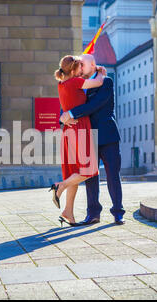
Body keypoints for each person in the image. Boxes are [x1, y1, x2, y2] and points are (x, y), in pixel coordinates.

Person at [60, 54, 126, 226]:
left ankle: (118, 213)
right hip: (87, 135)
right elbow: (68, 104)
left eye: (82, 64)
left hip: (107, 135)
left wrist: (71, 114)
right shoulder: (79, 84)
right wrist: (64, 117)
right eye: (78, 64)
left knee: (112, 175)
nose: (79, 67)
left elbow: (93, 105)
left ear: (92, 65)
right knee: (90, 176)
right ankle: (93, 214)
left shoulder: (106, 81)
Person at [50, 55, 106, 227]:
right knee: (90, 170)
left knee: (74, 171)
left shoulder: (62, 84)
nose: (82, 69)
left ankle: (68, 212)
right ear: (73, 70)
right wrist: (100, 72)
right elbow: (98, 83)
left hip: (69, 130)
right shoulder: (74, 83)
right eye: (80, 66)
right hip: (79, 128)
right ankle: (60, 186)